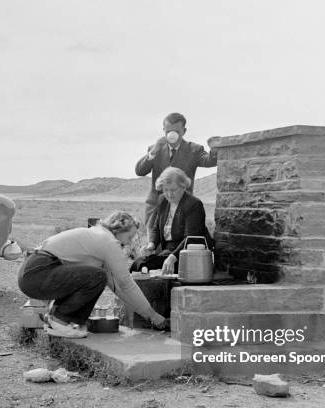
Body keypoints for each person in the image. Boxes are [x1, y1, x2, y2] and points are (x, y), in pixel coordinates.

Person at [18, 211, 167, 338]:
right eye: (129, 237)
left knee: (97, 277)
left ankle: (58, 321)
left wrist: (147, 314)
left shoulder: (99, 235)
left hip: (31, 272)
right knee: (97, 276)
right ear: (118, 230)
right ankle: (60, 321)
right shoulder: (109, 242)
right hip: (38, 272)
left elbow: (116, 286)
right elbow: (126, 284)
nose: (129, 243)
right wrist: (153, 315)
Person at [135, 112, 217, 229]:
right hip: (155, 206)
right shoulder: (154, 148)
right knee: (152, 242)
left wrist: (214, 149)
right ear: (164, 130)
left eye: (177, 132)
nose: (172, 135)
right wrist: (153, 152)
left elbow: (209, 161)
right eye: (168, 132)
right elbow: (139, 171)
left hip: (182, 206)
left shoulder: (194, 149)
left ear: (184, 131)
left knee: (177, 241)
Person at [131, 167, 213, 275]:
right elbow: (156, 228)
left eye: (173, 190)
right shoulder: (162, 200)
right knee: (136, 265)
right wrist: (151, 246)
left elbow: (190, 238)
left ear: (183, 186)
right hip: (168, 252)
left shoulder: (193, 204)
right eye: (165, 190)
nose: (169, 194)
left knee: (142, 266)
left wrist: (172, 257)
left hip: (188, 254)